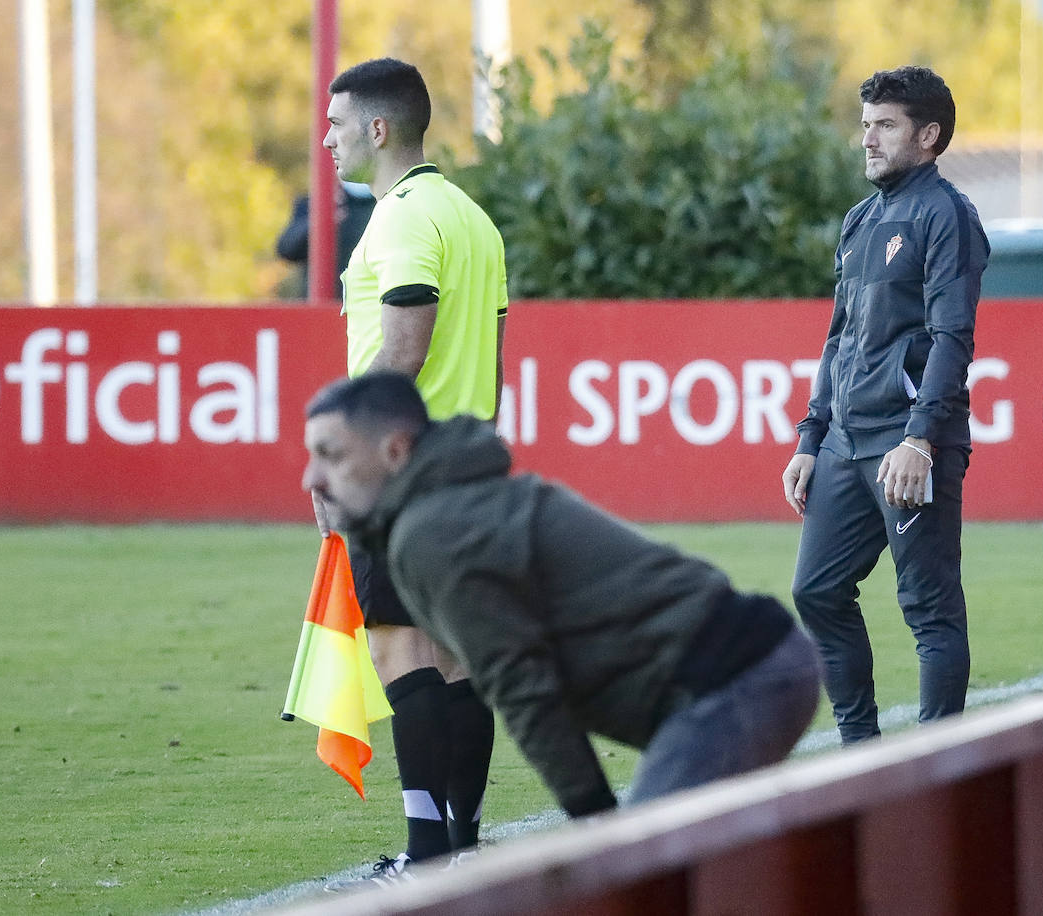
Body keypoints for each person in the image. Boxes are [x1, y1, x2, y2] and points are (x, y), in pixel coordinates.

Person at [303, 372, 821, 830]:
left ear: (394, 452)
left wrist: (596, 824)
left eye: (331, 455)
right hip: (754, 663)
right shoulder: (446, 510)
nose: (312, 478)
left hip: (734, 680)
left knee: (642, 880)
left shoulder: (434, 534)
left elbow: (522, 688)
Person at [311, 57, 508, 884]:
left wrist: (347, 461)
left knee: (401, 651)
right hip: (470, 459)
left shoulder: (396, 221)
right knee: (458, 657)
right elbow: (488, 357)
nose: (327, 137)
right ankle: (460, 837)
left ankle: (428, 851)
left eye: (337, 121)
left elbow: (403, 347)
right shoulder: (472, 218)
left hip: (402, 472)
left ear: (378, 129)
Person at [781, 66, 990, 745]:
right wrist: (812, 436)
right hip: (845, 443)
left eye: (884, 125)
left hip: (905, 443)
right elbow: (841, 334)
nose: (866, 138)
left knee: (927, 609)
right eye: (865, 123)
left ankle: (933, 772)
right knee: (816, 590)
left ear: (928, 136)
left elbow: (953, 336)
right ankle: (860, 756)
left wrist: (921, 439)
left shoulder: (947, 214)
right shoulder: (860, 219)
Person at [274, 181, 376, 299]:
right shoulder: (321, 202)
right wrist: (320, 218)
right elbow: (286, 249)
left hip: (366, 303)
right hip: (322, 305)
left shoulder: (384, 204)